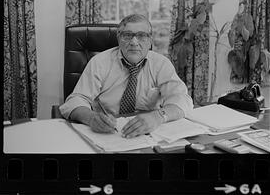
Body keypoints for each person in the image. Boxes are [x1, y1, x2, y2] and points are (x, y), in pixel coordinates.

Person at [59, 14, 193, 138]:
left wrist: (158, 116)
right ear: (118, 38)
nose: (134, 42)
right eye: (127, 35)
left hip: (149, 132)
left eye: (141, 35)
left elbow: (182, 99)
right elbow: (76, 100)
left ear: (150, 40)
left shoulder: (161, 64)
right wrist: (92, 118)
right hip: (108, 132)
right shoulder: (99, 62)